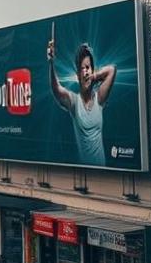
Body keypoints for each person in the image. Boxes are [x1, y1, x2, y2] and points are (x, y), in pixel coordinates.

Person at [48, 35, 117, 166]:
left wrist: (94, 76)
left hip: (103, 170)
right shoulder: (74, 102)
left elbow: (112, 70)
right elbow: (56, 88)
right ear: (77, 75)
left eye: (88, 67)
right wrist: (51, 62)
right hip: (85, 172)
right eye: (82, 69)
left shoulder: (99, 98)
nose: (85, 72)